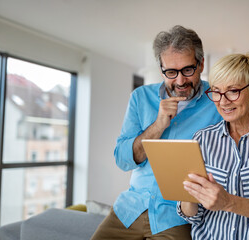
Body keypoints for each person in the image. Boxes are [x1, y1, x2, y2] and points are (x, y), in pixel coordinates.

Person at [90, 25, 222, 240]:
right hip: (130, 209)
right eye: (171, 72)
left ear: (201, 64)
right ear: (161, 68)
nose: (180, 81)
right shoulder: (140, 97)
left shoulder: (218, 101)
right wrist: (158, 125)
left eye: (188, 70)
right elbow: (123, 161)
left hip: (177, 216)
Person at [177, 53, 249, 240]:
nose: (223, 101)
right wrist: (188, 193)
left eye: (233, 91)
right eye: (216, 91)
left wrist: (228, 202)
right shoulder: (202, 138)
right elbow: (192, 214)